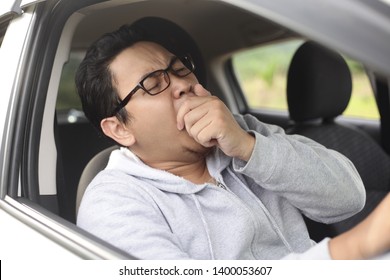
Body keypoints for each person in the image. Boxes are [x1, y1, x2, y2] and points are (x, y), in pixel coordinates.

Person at [75, 20, 390, 260]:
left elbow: (350, 199)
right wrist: (351, 249)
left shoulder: (247, 132)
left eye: (180, 69)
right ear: (119, 129)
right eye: (153, 83)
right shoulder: (112, 203)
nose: (181, 85)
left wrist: (250, 148)